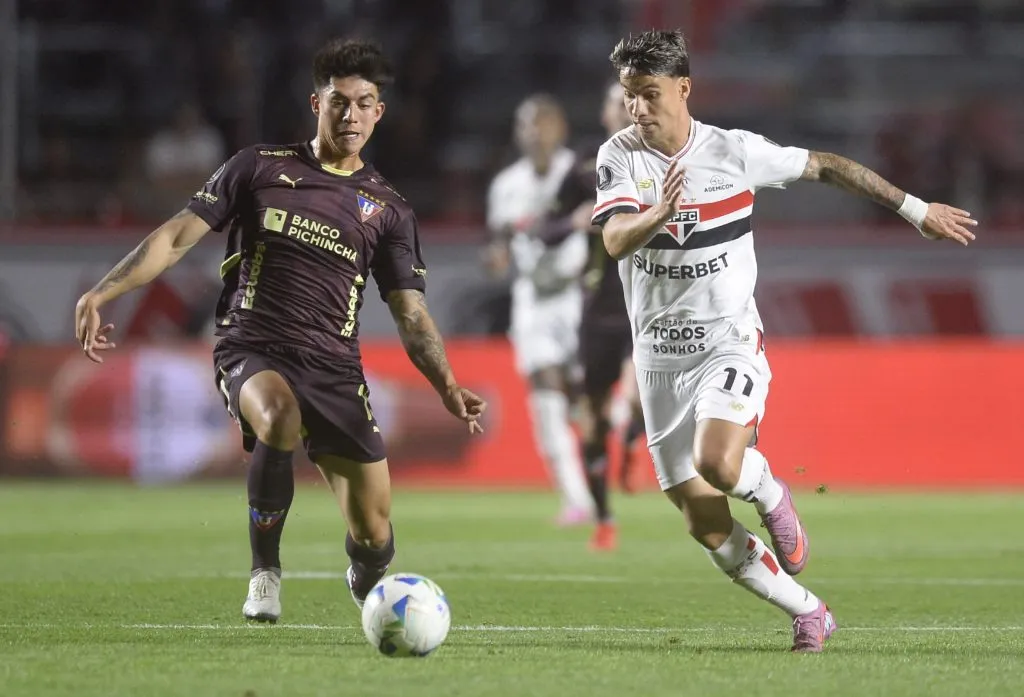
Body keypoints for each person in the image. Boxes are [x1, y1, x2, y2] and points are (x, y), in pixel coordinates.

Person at [73, 38, 487, 624]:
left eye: (363, 103)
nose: (350, 115)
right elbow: (175, 236)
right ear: (315, 102)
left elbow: (411, 314)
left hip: (335, 368)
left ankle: (364, 572)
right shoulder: (258, 167)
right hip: (251, 346)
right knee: (278, 416)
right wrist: (103, 290)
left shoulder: (389, 209)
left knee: (374, 534)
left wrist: (445, 383)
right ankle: (265, 573)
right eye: (338, 102)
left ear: (379, 113)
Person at [592, 30, 976, 652]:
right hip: (658, 362)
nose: (637, 108)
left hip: (727, 343)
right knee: (703, 521)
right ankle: (809, 611)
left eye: (649, 93)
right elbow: (612, 240)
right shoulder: (619, 155)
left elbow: (826, 165)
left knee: (719, 463)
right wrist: (656, 215)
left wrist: (914, 209)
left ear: (684, 88)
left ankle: (769, 490)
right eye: (629, 94)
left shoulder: (734, 152)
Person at [532, 82, 646, 551]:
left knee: (636, 391)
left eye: (632, 101)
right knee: (593, 420)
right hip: (598, 308)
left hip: (648, 305)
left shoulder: (663, 158)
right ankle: (604, 517)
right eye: (616, 102)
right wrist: (574, 221)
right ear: (604, 113)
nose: (625, 109)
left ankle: (635, 436)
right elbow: (546, 228)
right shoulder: (583, 165)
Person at [484, 94, 593, 526]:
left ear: (560, 128)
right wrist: (495, 257)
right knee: (546, 403)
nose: (535, 132)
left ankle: (604, 436)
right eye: (527, 124)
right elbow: (497, 243)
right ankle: (577, 499)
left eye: (543, 122)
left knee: (585, 404)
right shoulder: (506, 185)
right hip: (533, 298)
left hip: (579, 294)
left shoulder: (580, 172)